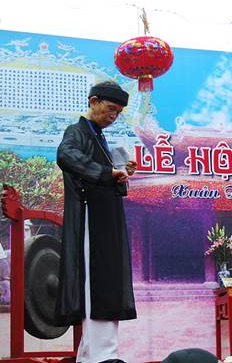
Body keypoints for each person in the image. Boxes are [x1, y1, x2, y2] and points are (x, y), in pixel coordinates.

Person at [55, 80, 137, 363]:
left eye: (118, 113)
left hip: (105, 214)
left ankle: (92, 354)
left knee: (107, 281)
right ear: (93, 102)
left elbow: (104, 175)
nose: (113, 116)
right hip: (91, 215)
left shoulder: (98, 137)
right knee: (96, 282)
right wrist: (107, 172)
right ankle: (100, 355)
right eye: (111, 109)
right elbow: (66, 155)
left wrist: (120, 171)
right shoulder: (76, 131)